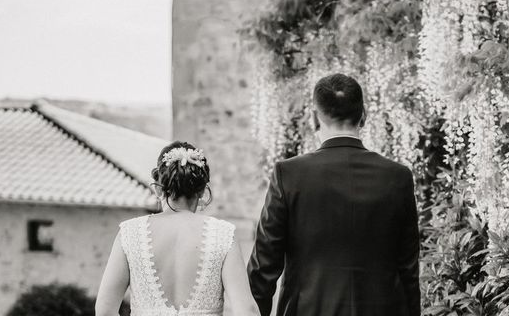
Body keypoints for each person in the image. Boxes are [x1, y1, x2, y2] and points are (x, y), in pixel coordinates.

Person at [248, 73, 421, 316]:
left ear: (313, 118)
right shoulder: (398, 177)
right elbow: (408, 271)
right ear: (364, 115)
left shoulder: (288, 174)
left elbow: (263, 269)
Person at [96, 141, 260, 316]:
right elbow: (247, 311)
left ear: (158, 189)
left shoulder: (130, 234)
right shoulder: (223, 235)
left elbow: (104, 310)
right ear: (203, 191)